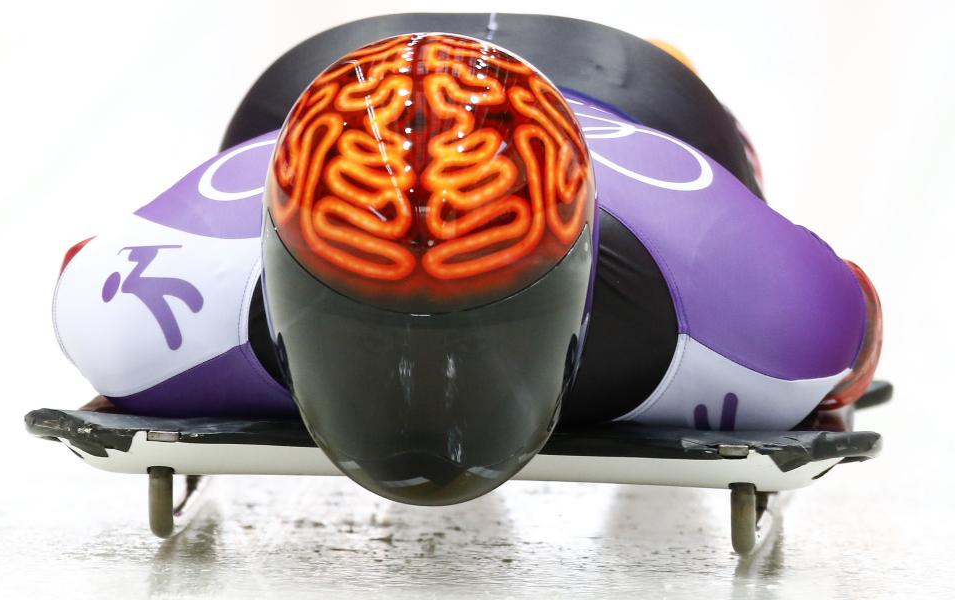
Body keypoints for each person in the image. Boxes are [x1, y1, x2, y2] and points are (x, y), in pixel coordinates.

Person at [53, 17, 882, 505]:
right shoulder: (777, 338)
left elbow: (82, 266)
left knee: (729, 168)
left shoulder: (766, 311)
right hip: (328, 89)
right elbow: (858, 315)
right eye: (367, 329)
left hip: (638, 100)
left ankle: (684, 80)